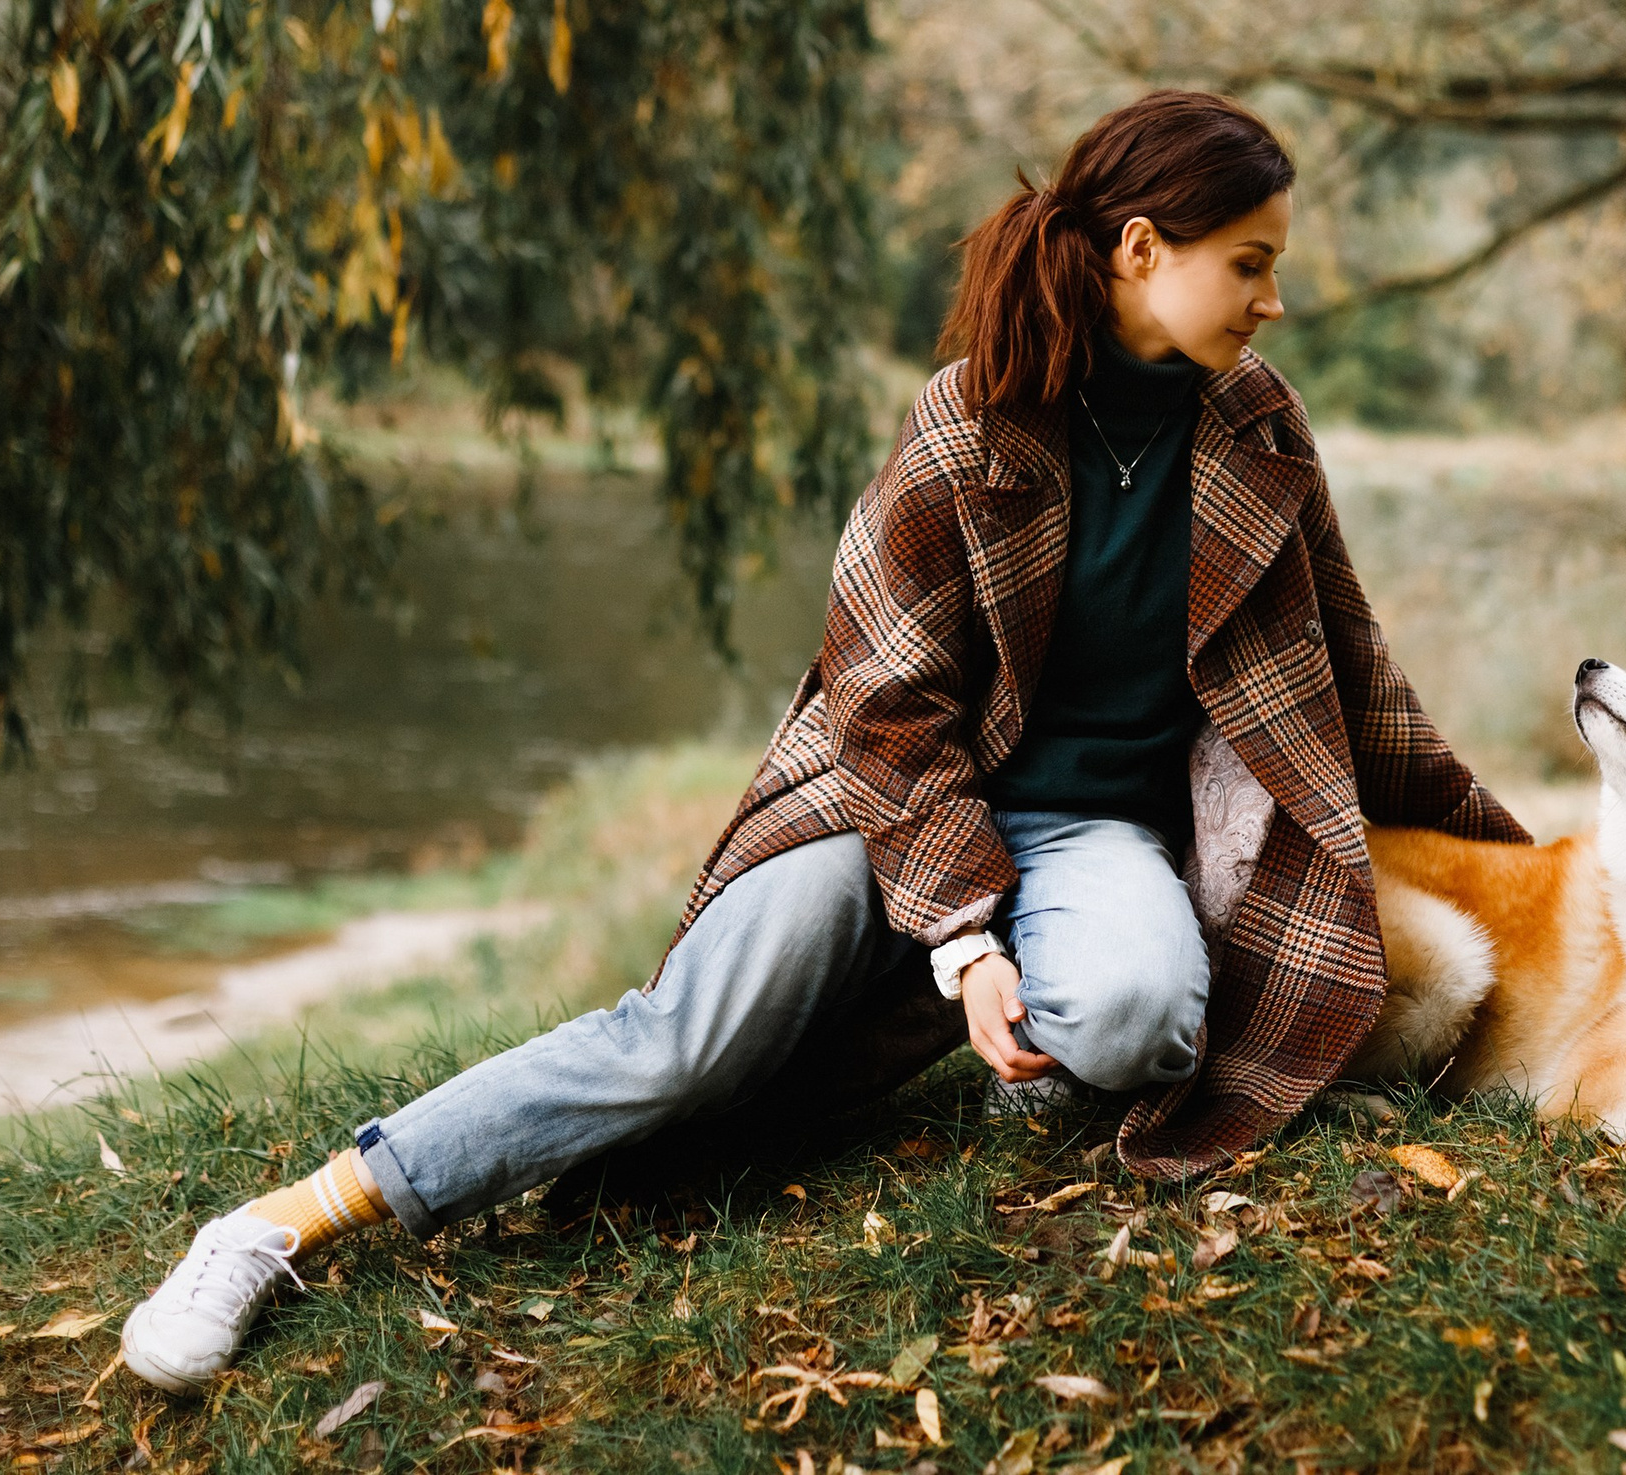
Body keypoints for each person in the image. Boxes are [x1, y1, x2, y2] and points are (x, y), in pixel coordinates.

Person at [118, 90, 1528, 1394]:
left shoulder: (1259, 431)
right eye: (1251, 262)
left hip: (1098, 838)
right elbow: (881, 704)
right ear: (1144, 248)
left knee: (1144, 1019)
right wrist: (966, 940)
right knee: (681, 1050)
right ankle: (284, 1221)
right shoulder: (966, 423)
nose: (1275, 300)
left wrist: (1548, 882)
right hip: (884, 814)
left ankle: (1004, 1031)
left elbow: (1356, 676)